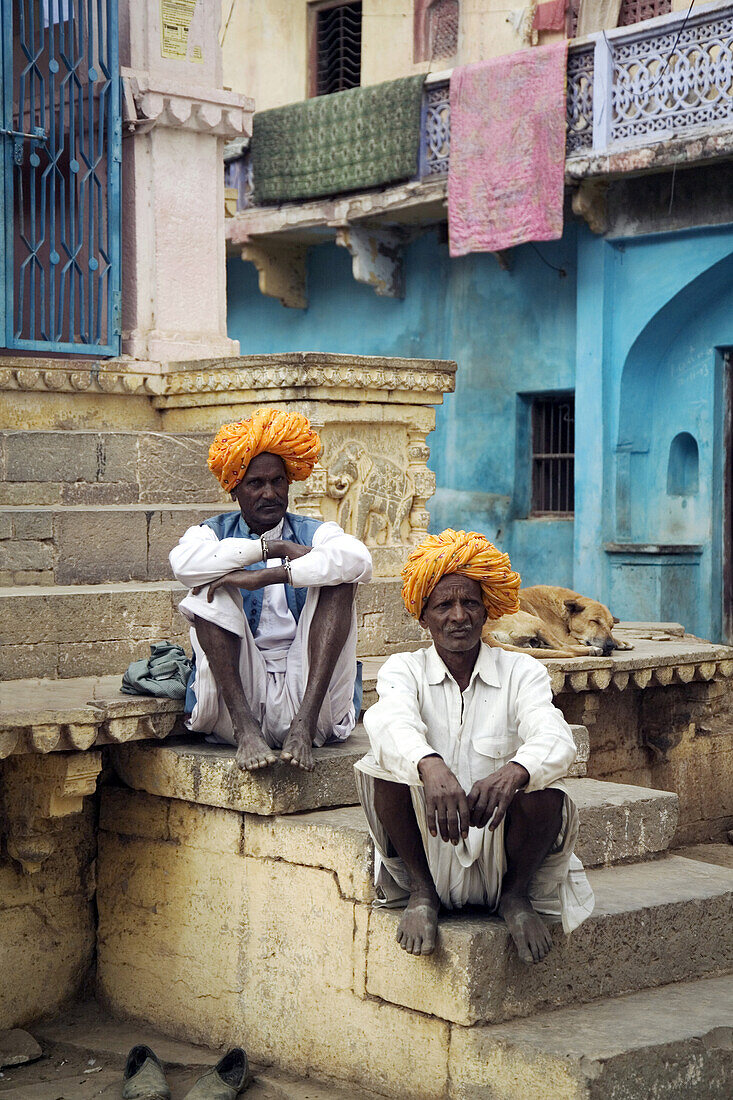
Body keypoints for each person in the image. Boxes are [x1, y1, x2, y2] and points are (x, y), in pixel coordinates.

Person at [355, 529, 594, 964]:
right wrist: (430, 766)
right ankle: (422, 896)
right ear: (424, 615)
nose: (459, 616)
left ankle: (515, 898)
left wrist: (516, 771)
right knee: (380, 767)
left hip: (502, 851)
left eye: (470, 603)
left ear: (488, 612)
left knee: (547, 788)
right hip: (427, 848)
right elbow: (388, 722)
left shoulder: (522, 671)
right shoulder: (402, 669)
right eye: (444, 605)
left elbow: (555, 737)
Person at [170, 408, 372, 773]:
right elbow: (183, 565)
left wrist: (266, 576)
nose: (270, 493)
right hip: (239, 699)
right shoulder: (211, 532)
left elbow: (358, 560)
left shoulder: (314, 530)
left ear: (289, 484)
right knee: (205, 588)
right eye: (256, 484)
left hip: (312, 698)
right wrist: (270, 550)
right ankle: (248, 732)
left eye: (278, 482)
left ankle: (302, 726)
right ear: (235, 489)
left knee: (340, 581)